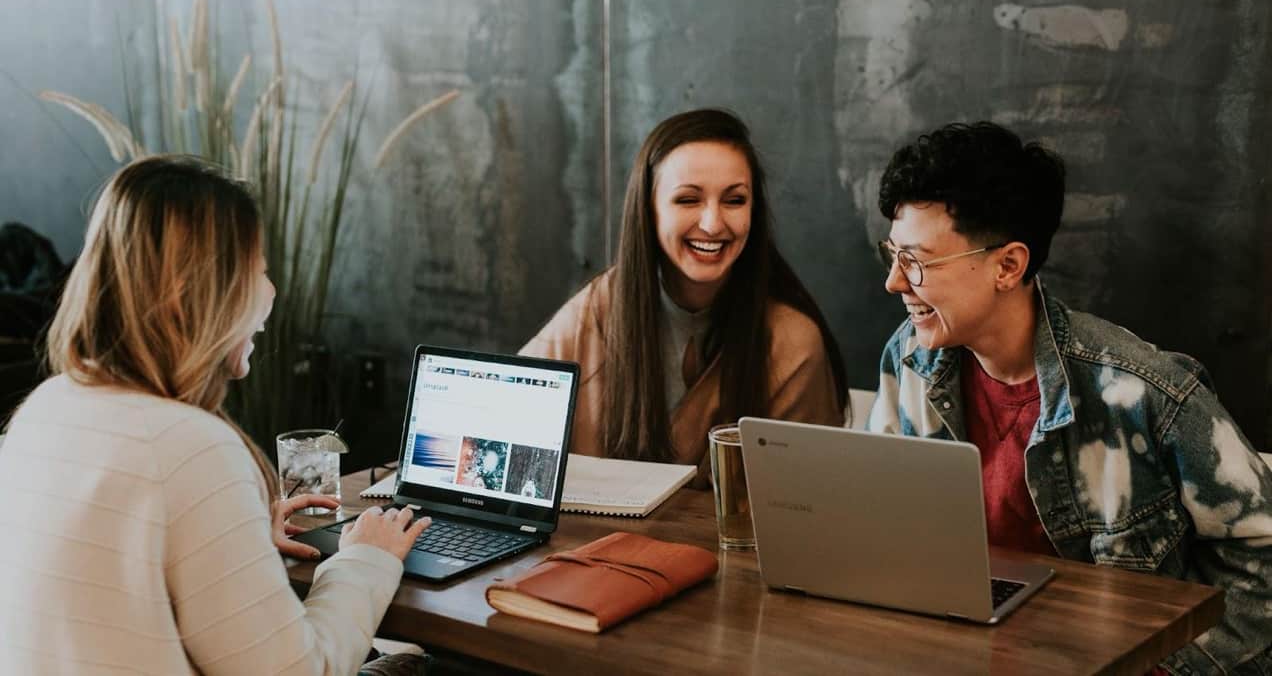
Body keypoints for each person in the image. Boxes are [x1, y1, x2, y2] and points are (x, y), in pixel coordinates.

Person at [866, 121, 1272, 674]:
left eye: (915, 261)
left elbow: (1261, 557)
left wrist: (1158, 666)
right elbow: (875, 519)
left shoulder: (1143, 392)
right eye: (892, 253)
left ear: (1007, 266)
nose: (894, 281)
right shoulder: (912, 356)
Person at [0, 156, 431, 674]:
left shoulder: (44, 409)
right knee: (416, 662)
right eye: (260, 272)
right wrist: (366, 558)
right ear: (202, 292)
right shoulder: (190, 446)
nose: (270, 294)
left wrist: (236, 534)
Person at [522, 108, 847, 486]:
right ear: (649, 209)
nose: (712, 223)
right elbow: (503, 419)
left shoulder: (792, 342)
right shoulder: (597, 309)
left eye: (734, 200)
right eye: (688, 200)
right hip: (591, 544)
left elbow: (807, 504)